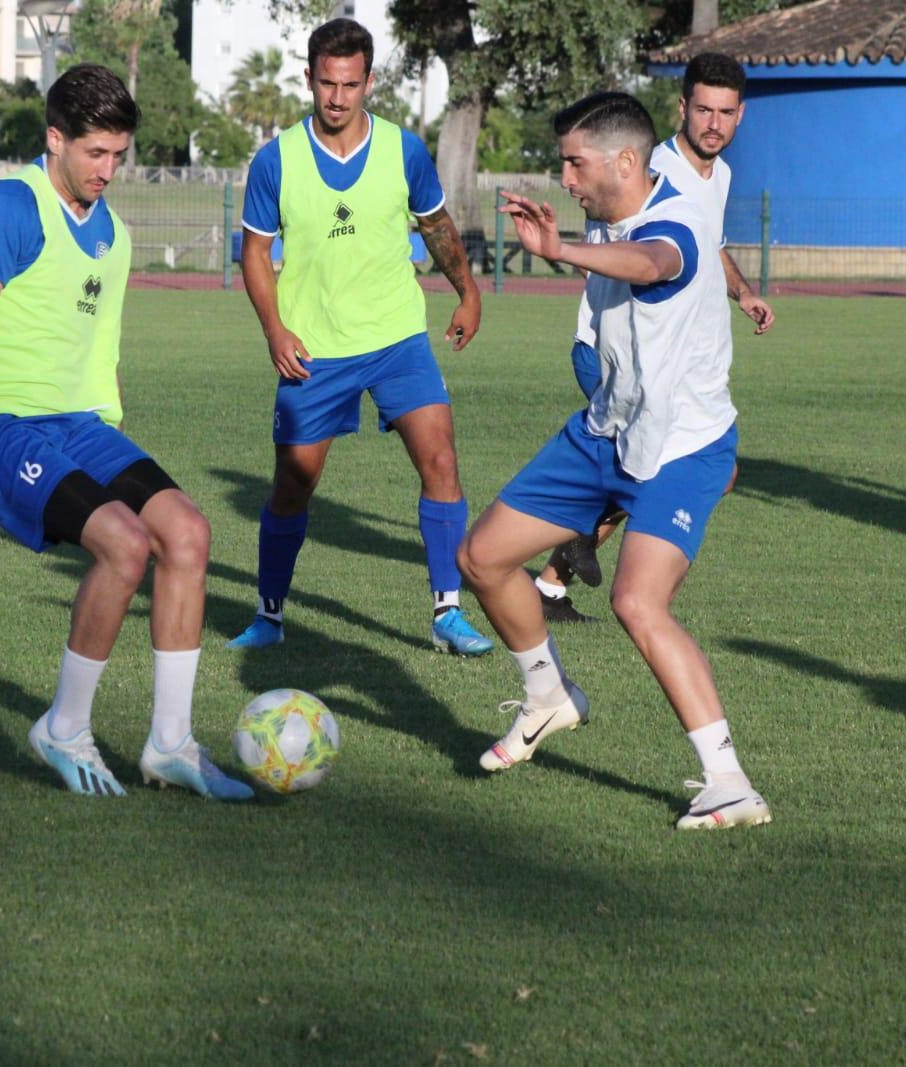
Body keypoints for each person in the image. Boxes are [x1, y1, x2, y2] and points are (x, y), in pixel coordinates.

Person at [0, 64, 251, 802]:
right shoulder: (10, 207)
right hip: (4, 427)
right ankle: (65, 726)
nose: (109, 170)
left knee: (188, 534)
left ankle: (171, 744)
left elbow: (90, 353)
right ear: (56, 138)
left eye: (119, 156)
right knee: (124, 545)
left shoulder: (114, 234)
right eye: (95, 153)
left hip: (82, 428)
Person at [462, 91, 770, 831]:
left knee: (637, 602)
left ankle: (729, 783)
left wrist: (561, 249)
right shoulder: (613, 210)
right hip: (606, 431)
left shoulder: (677, 225)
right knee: (480, 558)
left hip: (681, 448)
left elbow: (654, 261)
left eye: (574, 161)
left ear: (625, 161)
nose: (564, 176)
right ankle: (548, 696)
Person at [227, 18, 492, 657]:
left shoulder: (404, 150)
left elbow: (436, 226)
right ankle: (269, 614)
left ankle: (448, 613)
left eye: (350, 84)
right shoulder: (277, 159)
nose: (338, 97)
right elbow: (256, 254)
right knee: (293, 484)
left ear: (368, 80)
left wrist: (468, 291)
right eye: (327, 83)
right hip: (314, 349)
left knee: (441, 462)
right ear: (310, 79)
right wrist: (274, 329)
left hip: (398, 338)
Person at [533, 53, 776, 622]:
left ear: (741, 115)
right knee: (668, 465)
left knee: (704, 467)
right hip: (614, 349)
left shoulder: (721, 176)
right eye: (703, 110)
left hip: (674, 359)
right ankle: (576, 539)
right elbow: (632, 252)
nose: (713, 123)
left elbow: (707, 247)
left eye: (725, 112)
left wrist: (741, 293)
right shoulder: (647, 166)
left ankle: (554, 574)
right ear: (682, 108)